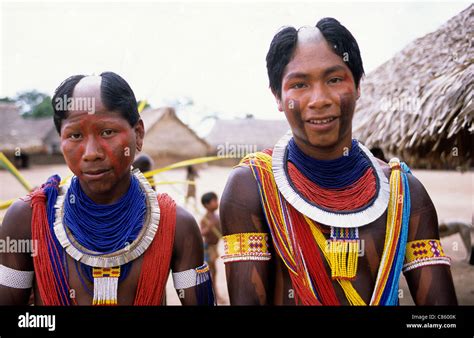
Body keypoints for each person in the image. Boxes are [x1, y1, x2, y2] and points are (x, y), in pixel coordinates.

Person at [220, 19, 457, 305]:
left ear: (357, 86)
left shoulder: (404, 193)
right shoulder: (252, 188)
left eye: (334, 79)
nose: (319, 99)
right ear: (278, 97)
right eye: (299, 84)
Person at [0, 72, 214, 305]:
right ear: (61, 140)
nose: (91, 152)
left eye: (107, 132)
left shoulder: (175, 225)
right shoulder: (27, 221)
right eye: (75, 135)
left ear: (139, 134)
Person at [200, 192, 222, 299]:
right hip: (208, 248)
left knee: (214, 271)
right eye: (214, 201)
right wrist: (208, 228)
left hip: (215, 247)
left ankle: (214, 291)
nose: (217, 203)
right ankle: (214, 293)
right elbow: (201, 233)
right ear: (206, 205)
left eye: (216, 200)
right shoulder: (205, 219)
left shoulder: (217, 217)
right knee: (210, 271)